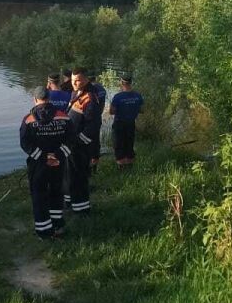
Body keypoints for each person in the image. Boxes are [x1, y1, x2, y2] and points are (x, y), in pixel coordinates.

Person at [20, 87, 74, 239]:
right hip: (58, 162)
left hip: (38, 164)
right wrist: (58, 155)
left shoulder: (28, 119)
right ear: (49, 98)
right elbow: (71, 139)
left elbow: (25, 143)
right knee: (56, 192)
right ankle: (57, 227)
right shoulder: (63, 116)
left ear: (35, 99)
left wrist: (43, 157)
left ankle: (44, 232)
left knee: (39, 195)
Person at [67, 67, 101, 215]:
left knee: (80, 176)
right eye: (73, 80)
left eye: (78, 80)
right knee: (70, 174)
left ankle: (81, 210)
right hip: (72, 144)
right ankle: (70, 201)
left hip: (80, 147)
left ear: (86, 80)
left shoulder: (90, 98)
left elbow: (94, 125)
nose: (75, 83)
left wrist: (79, 141)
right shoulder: (77, 92)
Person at [109, 74, 144, 168]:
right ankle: (129, 165)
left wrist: (122, 108)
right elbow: (141, 110)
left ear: (121, 83)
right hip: (131, 123)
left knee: (119, 144)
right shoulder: (138, 95)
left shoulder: (117, 97)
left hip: (119, 123)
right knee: (129, 143)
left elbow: (111, 112)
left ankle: (121, 167)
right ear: (131, 82)